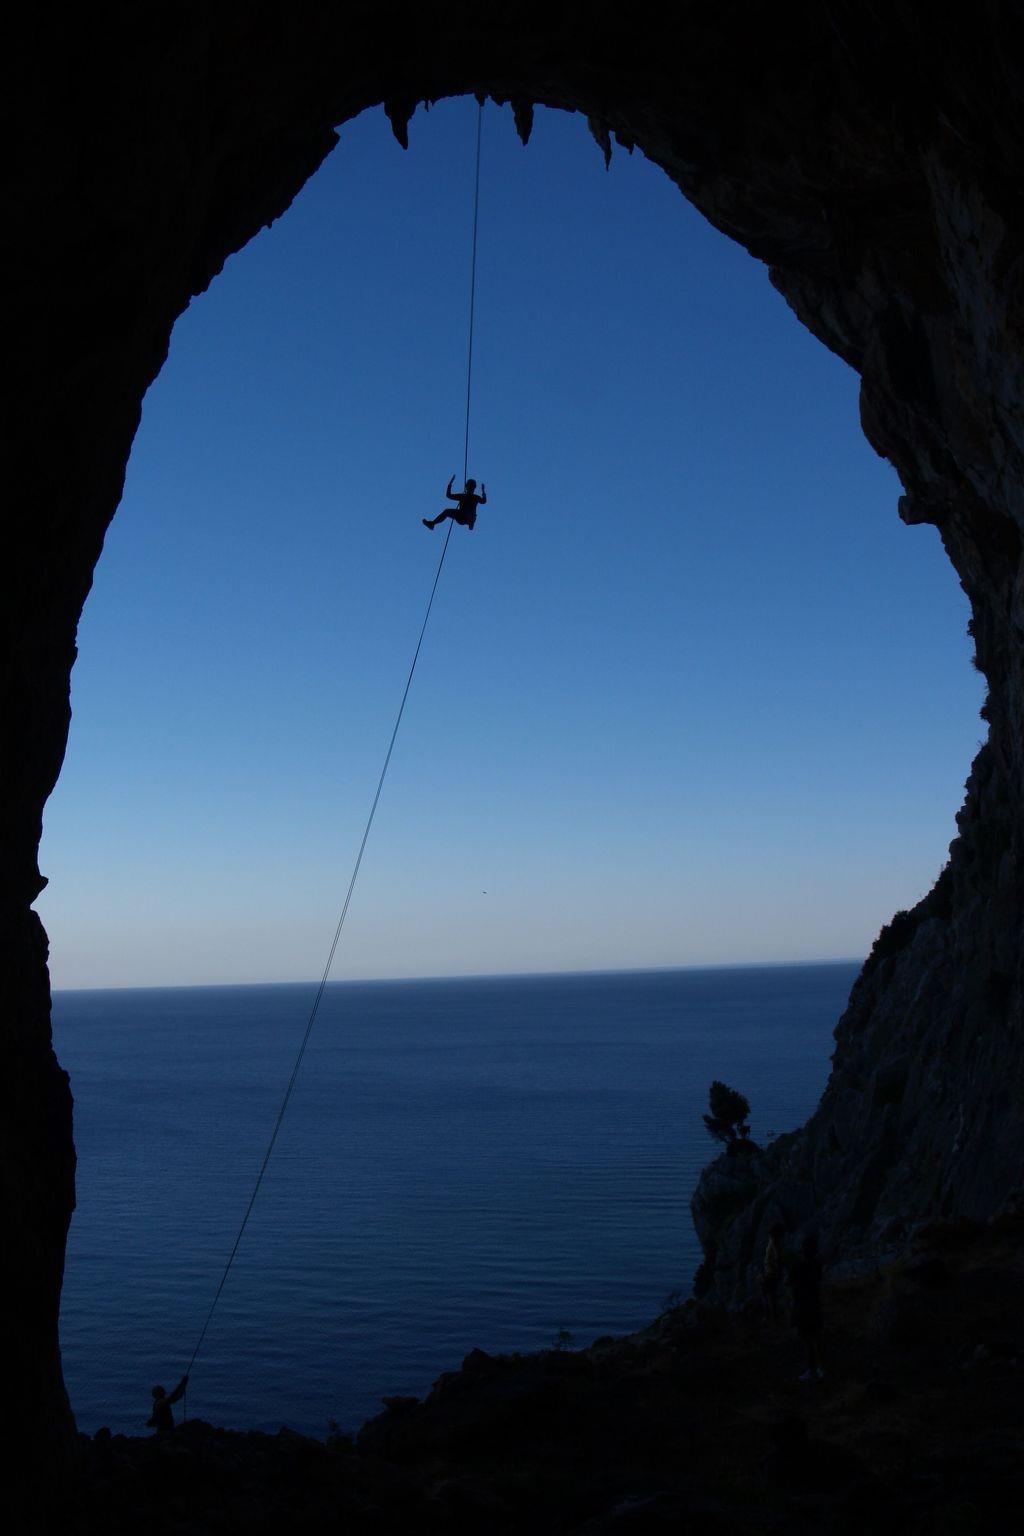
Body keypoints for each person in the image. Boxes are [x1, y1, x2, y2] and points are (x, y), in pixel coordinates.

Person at [788, 1231, 824, 1382]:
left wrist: (792, 1307)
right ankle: (820, 1368)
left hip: (803, 1306)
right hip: (815, 1304)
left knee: (807, 1339)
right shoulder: (817, 1264)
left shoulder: (798, 1266)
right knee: (816, 1337)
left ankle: (812, 1369)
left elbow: (792, 1286)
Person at [760, 1221, 785, 1323]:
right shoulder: (773, 1241)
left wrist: (776, 1269)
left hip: (770, 1273)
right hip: (770, 1272)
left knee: (769, 1296)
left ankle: (772, 1318)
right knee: (769, 1296)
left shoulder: (774, 1242)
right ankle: (772, 1317)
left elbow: (777, 1258)